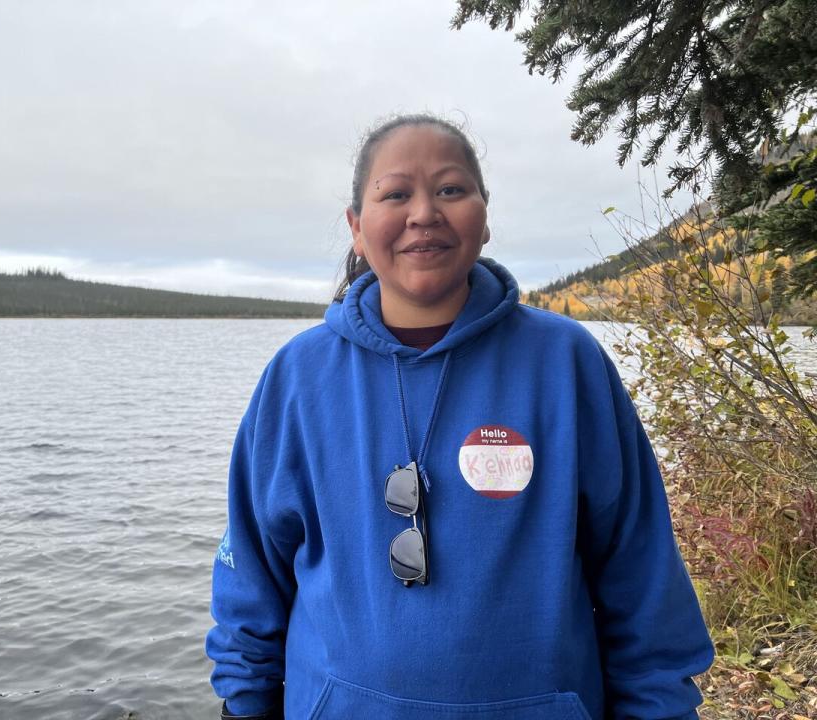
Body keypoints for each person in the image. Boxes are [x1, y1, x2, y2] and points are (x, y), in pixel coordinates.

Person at [205, 114, 714, 719]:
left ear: (485, 215)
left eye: (450, 189)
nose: (424, 213)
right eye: (395, 194)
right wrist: (242, 704)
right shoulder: (298, 376)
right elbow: (252, 572)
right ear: (356, 228)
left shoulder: (565, 362)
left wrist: (662, 708)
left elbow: (639, 565)